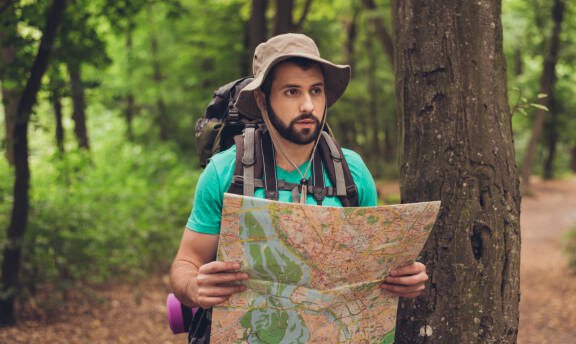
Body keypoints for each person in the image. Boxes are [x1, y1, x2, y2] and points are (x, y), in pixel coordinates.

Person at [169, 32, 428, 330]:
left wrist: (404, 279)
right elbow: (186, 263)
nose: (308, 105)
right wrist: (193, 287)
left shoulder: (351, 172)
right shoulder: (225, 171)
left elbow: (372, 270)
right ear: (262, 98)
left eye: (316, 91)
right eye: (292, 92)